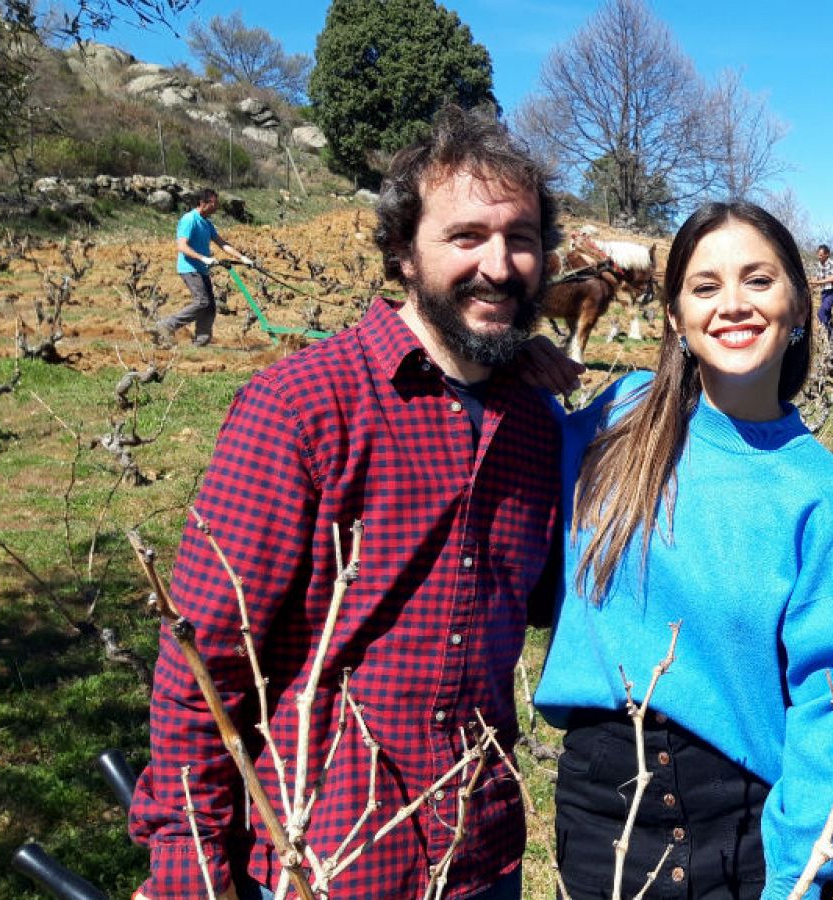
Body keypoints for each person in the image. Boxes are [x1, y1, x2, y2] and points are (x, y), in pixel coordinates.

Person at [129, 107, 564, 900]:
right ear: (403, 253)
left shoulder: (537, 427)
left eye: (523, 238)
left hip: (483, 855)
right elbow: (206, 663)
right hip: (331, 860)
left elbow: (544, 605)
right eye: (466, 236)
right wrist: (190, 868)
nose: (499, 264)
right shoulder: (301, 408)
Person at [534, 201, 833, 900]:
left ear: (800, 307)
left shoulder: (820, 490)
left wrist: (800, 874)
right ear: (674, 317)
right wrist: (516, 361)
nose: (733, 305)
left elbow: (828, 703)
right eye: (706, 286)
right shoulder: (617, 421)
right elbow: (511, 459)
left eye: (758, 280)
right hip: (600, 811)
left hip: (742, 826)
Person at [156, 188, 250, 348]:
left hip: (201, 268)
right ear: (203, 203)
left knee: (210, 307)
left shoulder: (207, 223)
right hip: (189, 267)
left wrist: (242, 258)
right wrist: (203, 258)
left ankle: (201, 342)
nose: (217, 207)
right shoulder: (189, 219)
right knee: (202, 302)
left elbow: (222, 244)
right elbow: (182, 246)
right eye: (214, 203)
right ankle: (167, 325)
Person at [807, 243, 833, 336]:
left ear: (827, 254)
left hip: (832, 292)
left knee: (821, 312)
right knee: (827, 314)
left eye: (821, 255)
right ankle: (832, 337)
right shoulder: (818, 265)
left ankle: (832, 331)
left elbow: (831, 279)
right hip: (824, 293)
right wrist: (809, 284)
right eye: (818, 255)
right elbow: (816, 279)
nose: (819, 257)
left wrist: (816, 283)